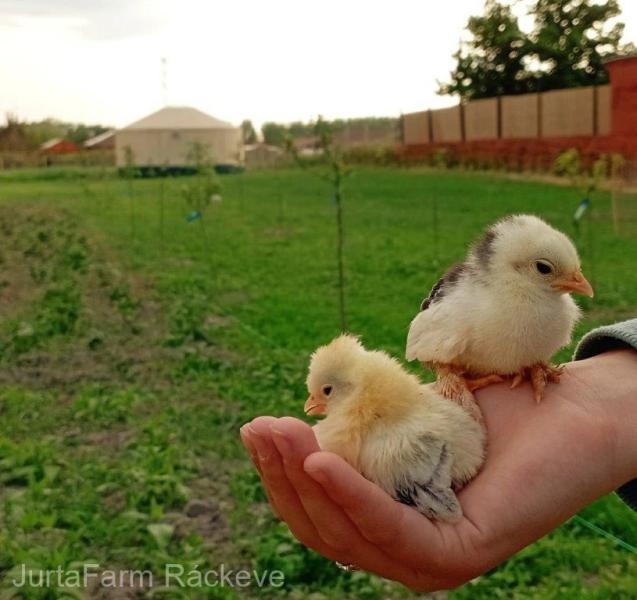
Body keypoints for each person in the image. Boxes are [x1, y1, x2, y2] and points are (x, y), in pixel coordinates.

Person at [239, 319, 637, 591]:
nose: (316, 402)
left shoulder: (387, 446)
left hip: (449, 463)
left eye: (325, 393)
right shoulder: (416, 408)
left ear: (350, 388)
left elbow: (440, 502)